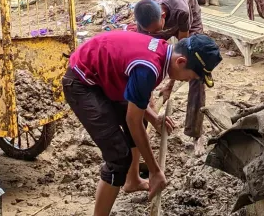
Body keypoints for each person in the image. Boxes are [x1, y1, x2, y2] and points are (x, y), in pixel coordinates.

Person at [63, 29, 222, 216]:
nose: (187, 81)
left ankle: (132, 181)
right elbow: (133, 121)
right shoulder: (149, 69)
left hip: (103, 78)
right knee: (118, 157)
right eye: (191, 77)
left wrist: (153, 118)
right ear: (180, 62)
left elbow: (134, 100)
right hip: (82, 83)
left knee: (142, 120)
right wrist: (154, 170)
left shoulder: (162, 51)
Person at [134, 0, 206, 141]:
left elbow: (182, 54)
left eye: (156, 30)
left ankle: (195, 132)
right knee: (149, 62)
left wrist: (170, 85)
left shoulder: (182, 12)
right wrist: (150, 102)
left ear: (163, 15)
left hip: (189, 17)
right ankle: (143, 129)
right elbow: (143, 60)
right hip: (162, 17)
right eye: (150, 31)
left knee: (196, 68)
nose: (155, 33)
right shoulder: (144, 23)